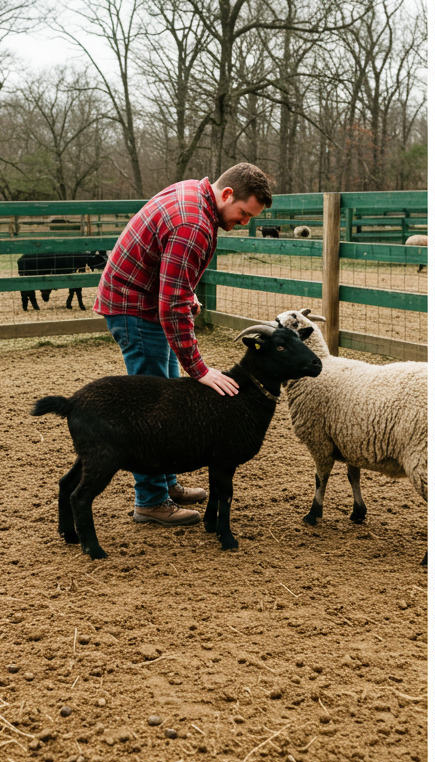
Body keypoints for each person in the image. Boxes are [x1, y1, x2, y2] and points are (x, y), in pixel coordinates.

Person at [93, 162, 273, 525]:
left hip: (139, 299)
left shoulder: (195, 194)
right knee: (151, 410)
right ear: (226, 194)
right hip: (136, 311)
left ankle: (165, 481)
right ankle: (151, 501)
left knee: (168, 400)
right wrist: (200, 369)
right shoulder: (193, 223)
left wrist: (184, 291)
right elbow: (171, 307)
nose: (243, 223)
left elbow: (168, 270)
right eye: (243, 213)